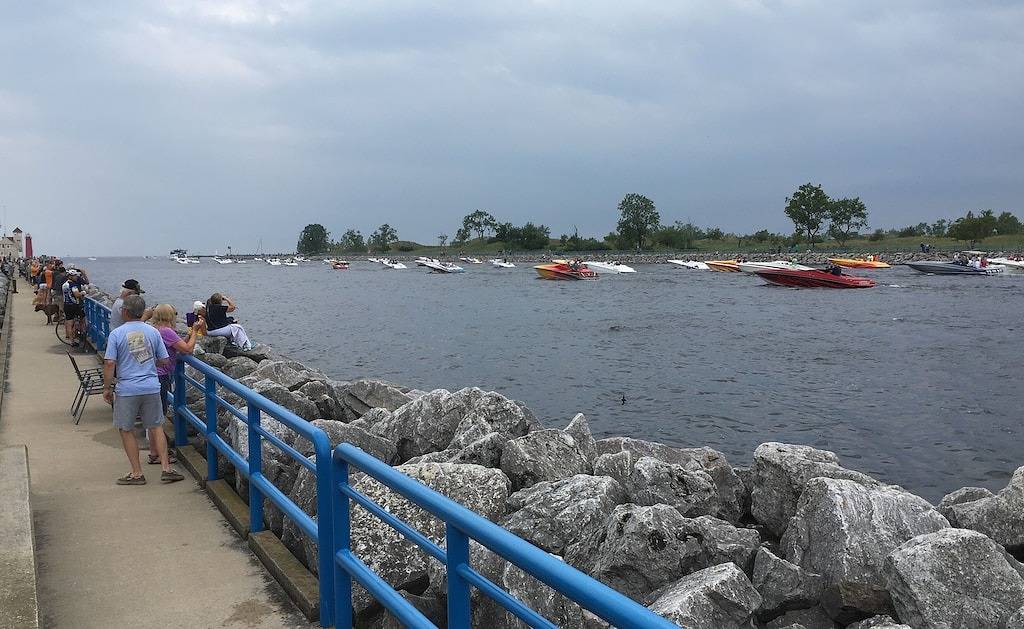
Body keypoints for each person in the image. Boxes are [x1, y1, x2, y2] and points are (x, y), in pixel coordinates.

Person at [102, 295, 183, 485]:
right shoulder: (153, 332)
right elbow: (164, 360)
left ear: (125, 312)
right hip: (151, 385)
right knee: (156, 426)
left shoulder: (117, 334)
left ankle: (137, 473)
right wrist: (146, 361)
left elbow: (109, 363)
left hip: (127, 388)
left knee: (126, 429)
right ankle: (166, 469)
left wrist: (107, 388)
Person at [150, 304, 203, 431]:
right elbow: (187, 349)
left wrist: (190, 334)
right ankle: (157, 447)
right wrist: (195, 331)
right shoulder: (166, 331)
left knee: (153, 413)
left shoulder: (155, 329)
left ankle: (153, 443)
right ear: (169, 316)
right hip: (161, 376)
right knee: (159, 415)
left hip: (153, 374)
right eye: (174, 314)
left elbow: (178, 345)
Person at [61, 269, 86, 346]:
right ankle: (82, 332)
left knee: (69, 323)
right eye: (75, 276)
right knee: (83, 317)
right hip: (74, 305)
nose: (76, 277)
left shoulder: (64, 285)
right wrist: (83, 292)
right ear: (71, 276)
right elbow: (77, 295)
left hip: (66, 305)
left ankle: (72, 341)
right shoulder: (73, 285)